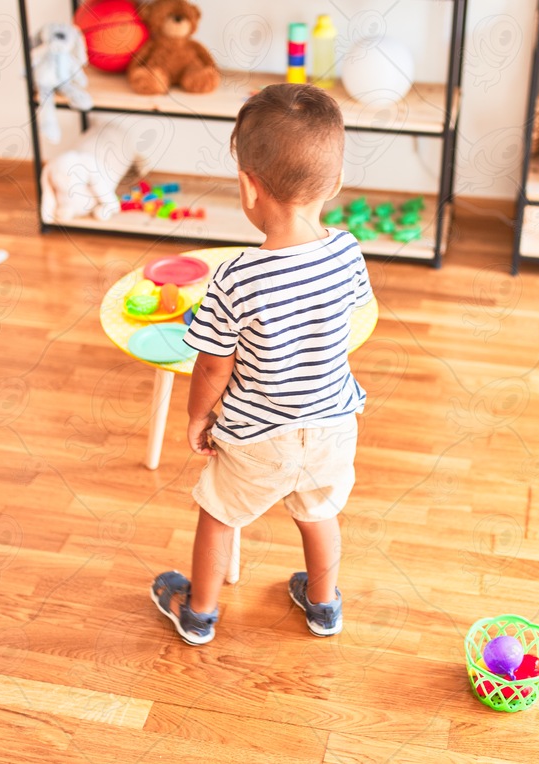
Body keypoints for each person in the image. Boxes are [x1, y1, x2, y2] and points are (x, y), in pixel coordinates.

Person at [151, 83, 373, 645]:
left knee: (219, 514)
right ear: (337, 182)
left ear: (248, 187)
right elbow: (346, 320)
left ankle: (198, 612)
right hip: (331, 424)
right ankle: (323, 605)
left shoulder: (236, 277)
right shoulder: (348, 250)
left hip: (257, 436)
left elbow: (211, 367)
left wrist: (198, 418)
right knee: (318, 512)